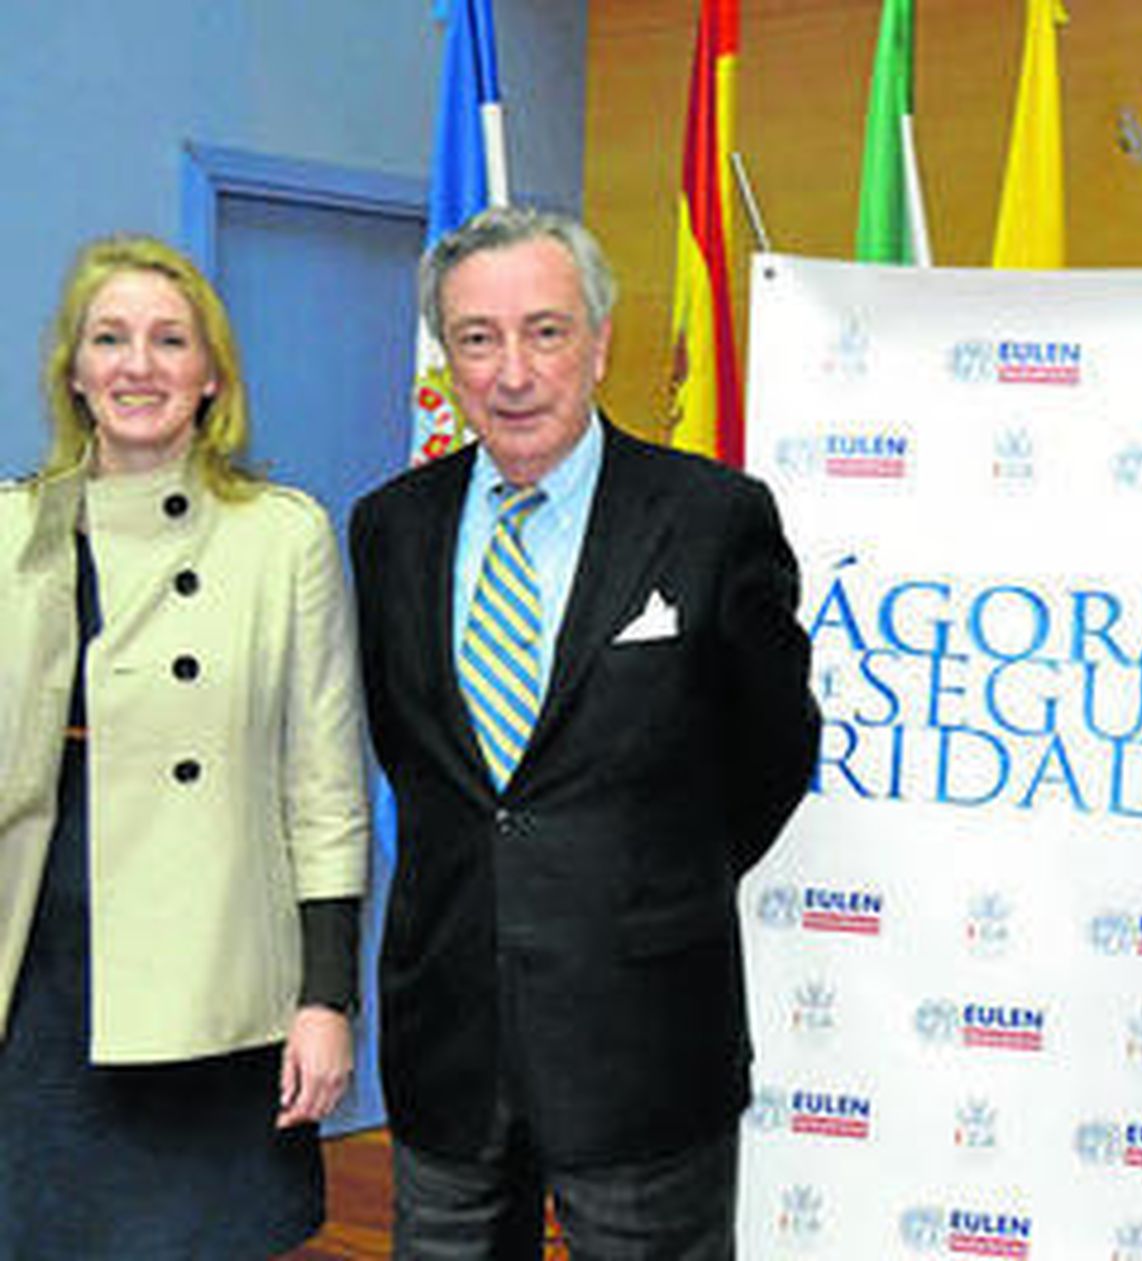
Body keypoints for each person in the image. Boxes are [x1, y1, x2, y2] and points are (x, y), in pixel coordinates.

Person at [349, 205, 818, 1260]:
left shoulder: (710, 518)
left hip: (644, 1034)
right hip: (449, 1033)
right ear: (450, 357)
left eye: (545, 331)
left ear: (600, 343)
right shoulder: (389, 527)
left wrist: (642, 877)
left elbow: (773, 750)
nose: (512, 370)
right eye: (478, 337)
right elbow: (413, 754)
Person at [0, 235, 370, 1259]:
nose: (138, 365)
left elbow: (325, 787)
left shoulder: (278, 536)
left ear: (212, 376)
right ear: (72, 370)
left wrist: (326, 999)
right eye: (109, 338)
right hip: (38, 966)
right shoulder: (10, 530)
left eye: (171, 340)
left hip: (211, 972)